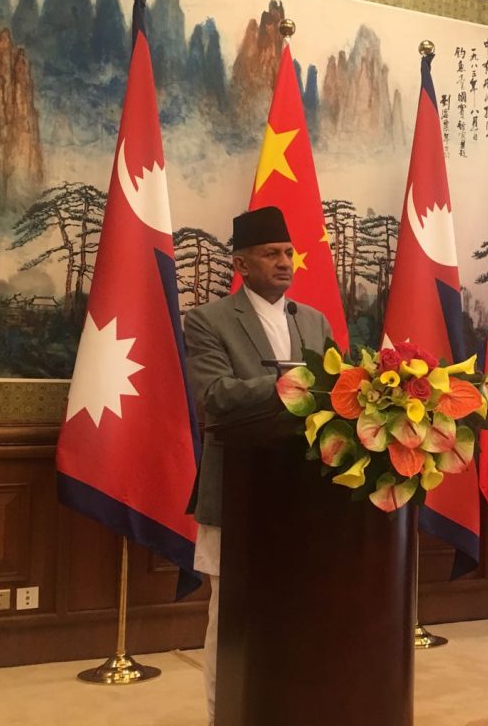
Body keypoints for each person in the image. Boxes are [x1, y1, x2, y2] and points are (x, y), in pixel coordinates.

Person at [183, 205, 331, 725]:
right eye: (271, 254)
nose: (285, 262)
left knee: (296, 612)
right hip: (238, 491)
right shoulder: (208, 320)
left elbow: (335, 396)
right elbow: (215, 395)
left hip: (305, 492)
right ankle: (224, 716)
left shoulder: (313, 321)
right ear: (241, 264)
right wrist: (290, 384)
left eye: (288, 252)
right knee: (232, 617)